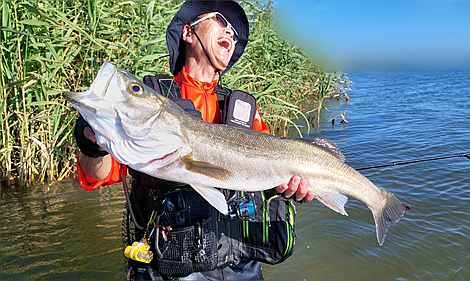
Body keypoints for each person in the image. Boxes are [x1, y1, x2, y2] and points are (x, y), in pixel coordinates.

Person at [74, 1, 314, 280]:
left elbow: (274, 176)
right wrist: (90, 142)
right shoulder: (154, 98)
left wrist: (292, 188)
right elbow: (97, 175)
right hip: (169, 269)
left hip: (241, 269)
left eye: (235, 33)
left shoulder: (245, 112)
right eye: (222, 21)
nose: (231, 33)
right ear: (189, 33)